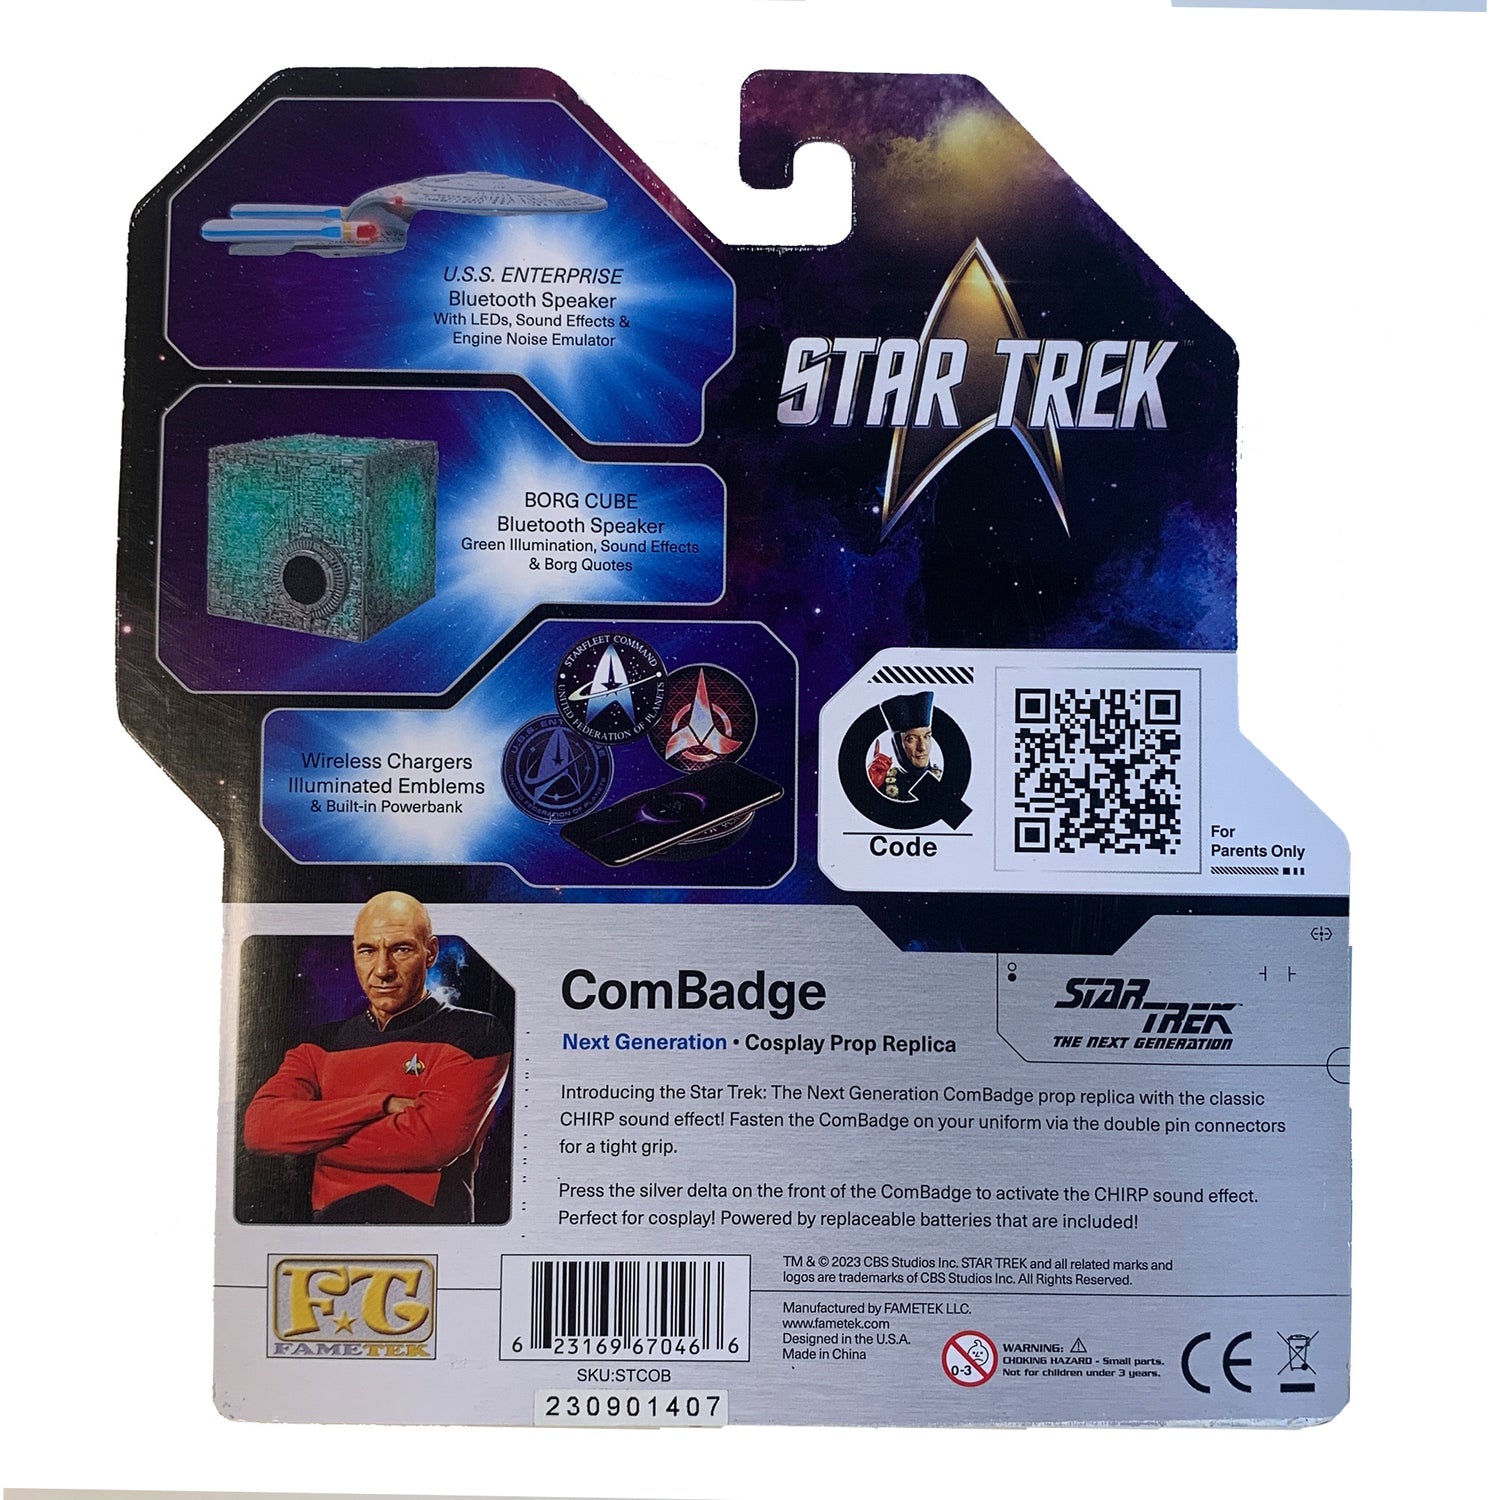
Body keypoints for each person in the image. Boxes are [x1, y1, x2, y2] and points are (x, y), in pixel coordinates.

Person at [244, 891, 510, 1224]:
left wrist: (310, 1137)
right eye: (368, 951)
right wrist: (380, 1105)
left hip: (433, 1234)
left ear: (430, 952)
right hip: (332, 1235)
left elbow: (433, 1143)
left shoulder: (475, 1032)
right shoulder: (319, 1044)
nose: (382, 970)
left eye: (401, 949)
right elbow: (260, 1129)